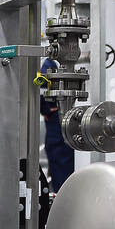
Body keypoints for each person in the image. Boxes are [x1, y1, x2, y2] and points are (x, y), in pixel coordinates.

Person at [39, 58, 75, 191]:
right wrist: (47, 109)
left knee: (60, 155)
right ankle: (63, 193)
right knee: (60, 154)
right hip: (57, 115)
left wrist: (45, 110)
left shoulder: (50, 64)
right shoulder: (49, 65)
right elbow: (41, 90)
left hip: (59, 115)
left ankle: (63, 192)